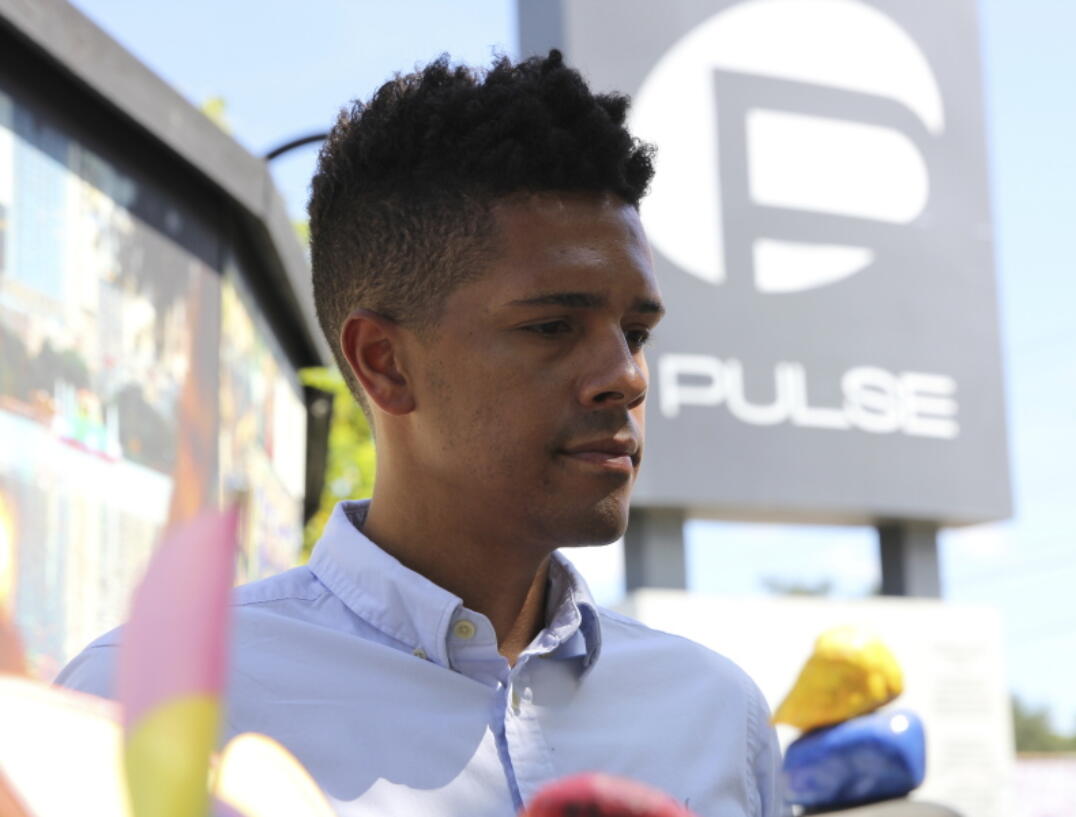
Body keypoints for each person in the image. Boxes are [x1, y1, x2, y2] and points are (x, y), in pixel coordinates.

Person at [56, 50, 784, 817]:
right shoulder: (143, 709)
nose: (626, 377)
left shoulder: (718, 716)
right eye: (551, 326)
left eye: (636, 331)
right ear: (384, 363)